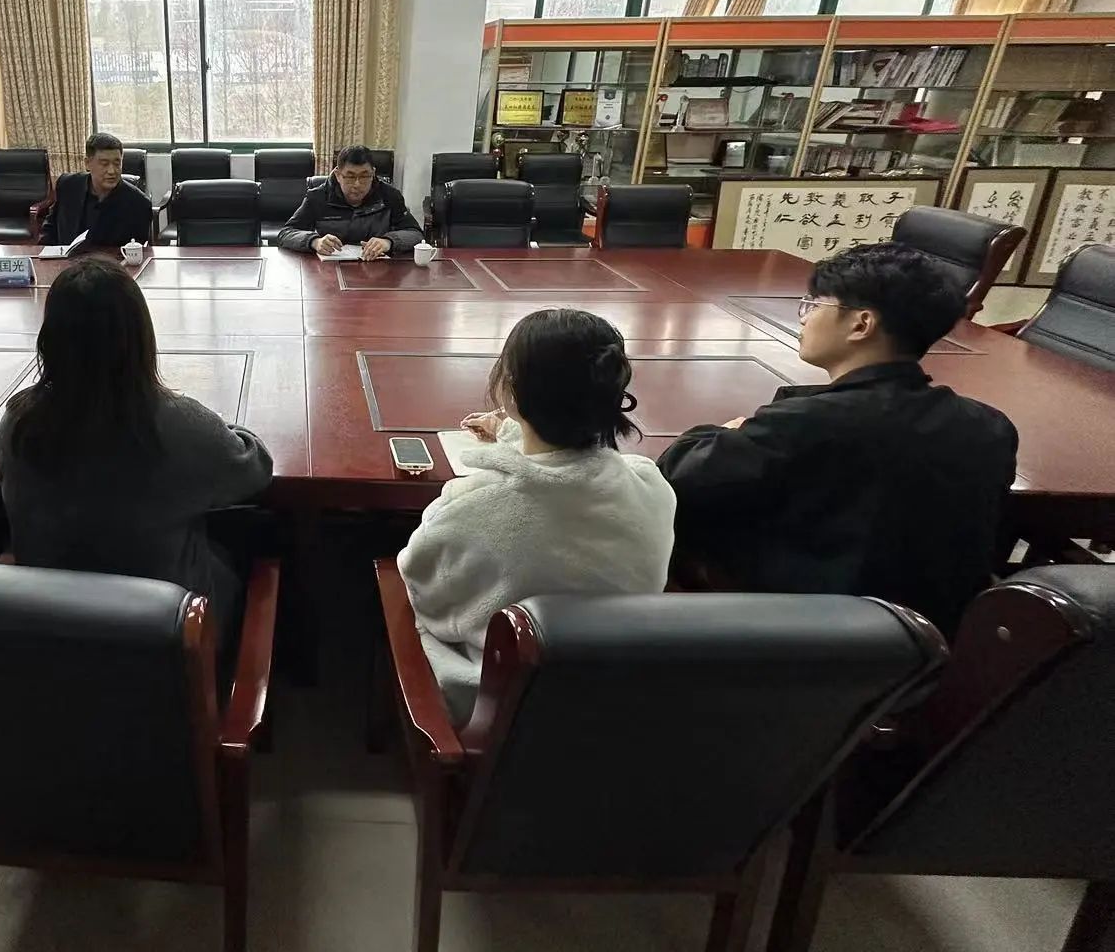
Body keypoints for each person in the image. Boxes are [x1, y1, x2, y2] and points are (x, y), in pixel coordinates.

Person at [658, 242, 1019, 635]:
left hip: (810, 636)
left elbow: (676, 477)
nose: (804, 317)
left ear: (861, 324)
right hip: (935, 638)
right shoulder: (991, 426)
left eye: (814, 305)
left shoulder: (805, 422)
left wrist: (725, 433)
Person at [398, 308, 675, 723]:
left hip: (500, 705)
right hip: (617, 695)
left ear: (510, 391)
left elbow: (423, 585)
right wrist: (512, 430)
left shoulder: (476, 504)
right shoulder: (650, 487)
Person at [0, 257, 273, 644]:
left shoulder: (18, 422)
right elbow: (256, 469)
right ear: (140, 336)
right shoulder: (177, 424)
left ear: (50, 339)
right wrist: (220, 426)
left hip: (50, 635)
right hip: (165, 639)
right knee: (259, 535)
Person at [276, 145, 423, 260]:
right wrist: (315, 242)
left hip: (377, 267)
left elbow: (416, 234)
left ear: (373, 173)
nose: (357, 184)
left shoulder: (389, 196)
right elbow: (286, 234)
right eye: (350, 177)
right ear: (338, 175)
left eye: (365, 176)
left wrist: (388, 242)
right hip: (330, 271)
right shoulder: (318, 197)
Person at [44, 131, 154, 246]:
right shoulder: (68, 186)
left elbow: (138, 250)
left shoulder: (139, 204)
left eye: (117, 163)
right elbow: (50, 228)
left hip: (112, 258)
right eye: (104, 164)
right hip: (66, 257)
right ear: (87, 163)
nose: (112, 171)